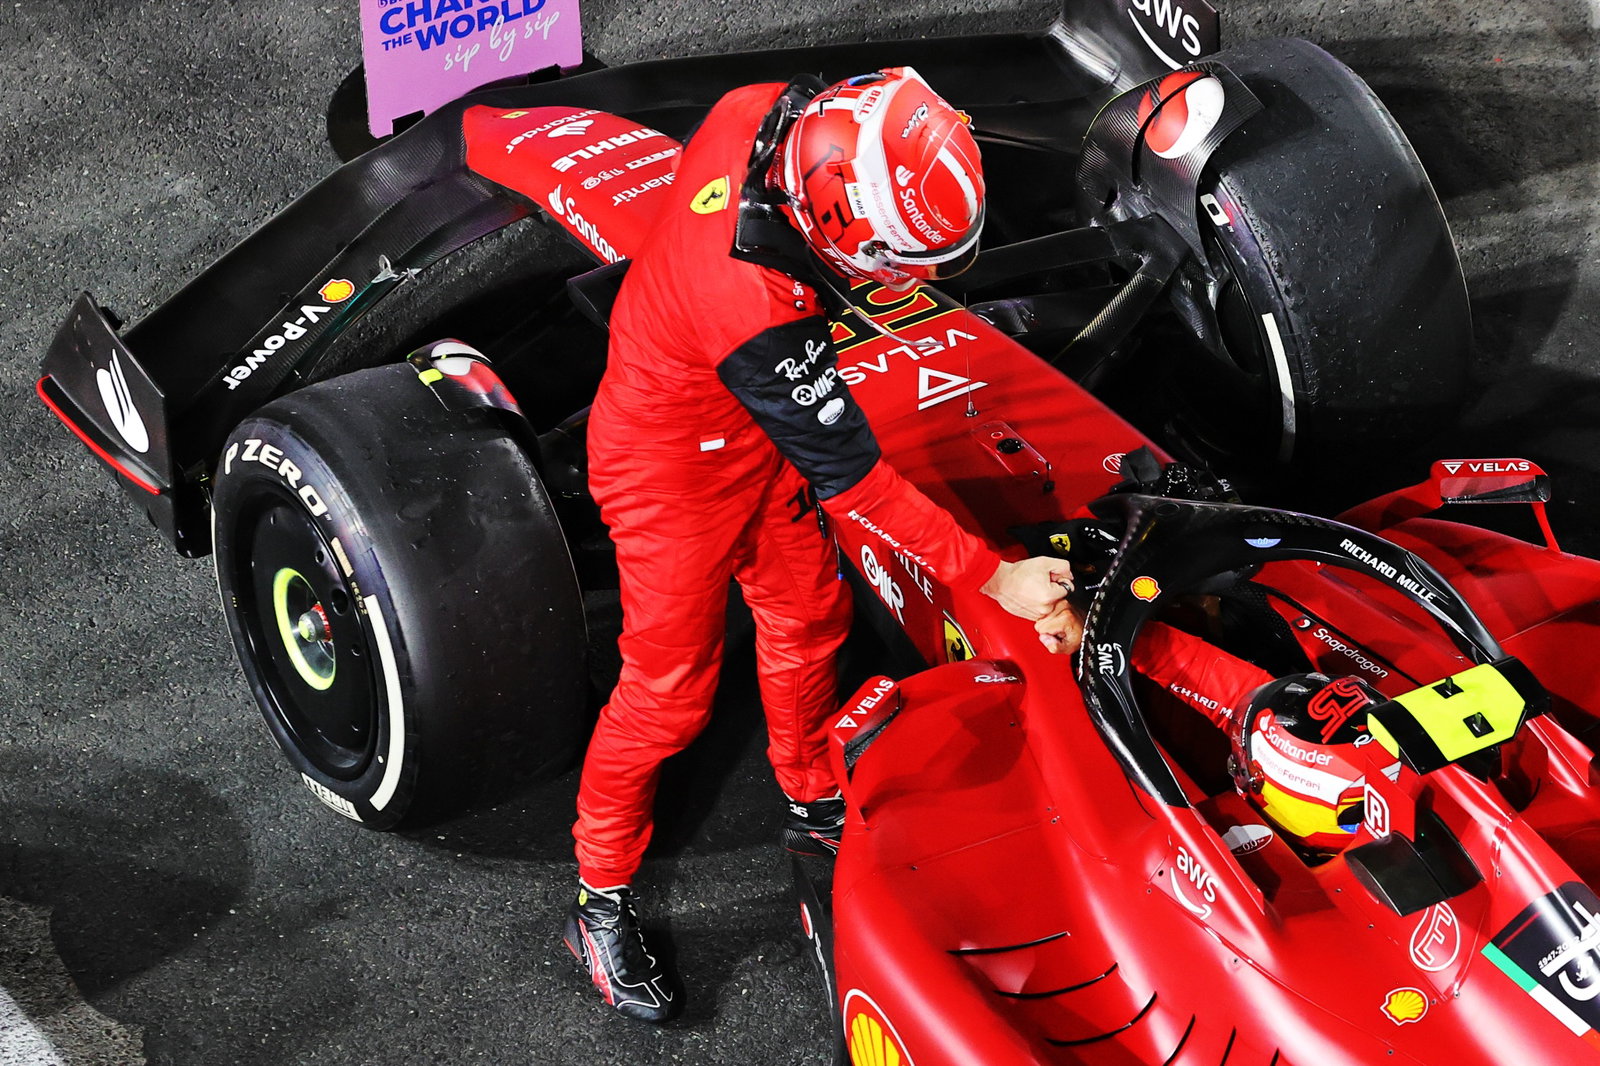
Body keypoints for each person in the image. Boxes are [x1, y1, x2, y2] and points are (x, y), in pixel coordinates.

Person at [563, 67, 1075, 1023]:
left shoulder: (762, 108)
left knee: (810, 614)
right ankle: (598, 896)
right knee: (669, 697)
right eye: (900, 260)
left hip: (743, 428)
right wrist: (994, 574)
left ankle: (809, 796)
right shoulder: (757, 306)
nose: (913, 281)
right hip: (666, 473)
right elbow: (863, 487)